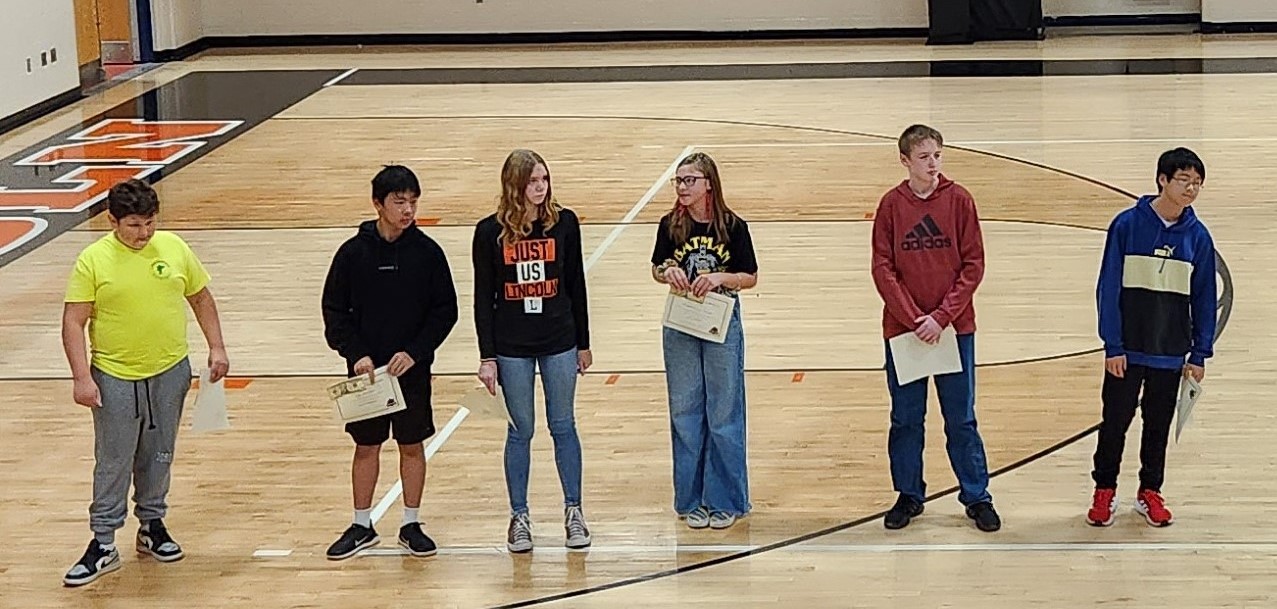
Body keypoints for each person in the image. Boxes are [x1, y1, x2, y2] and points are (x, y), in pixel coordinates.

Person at [61, 179, 230, 586]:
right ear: (112, 221)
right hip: (115, 377)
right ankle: (103, 542)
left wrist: (217, 347)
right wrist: (82, 377)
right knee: (114, 459)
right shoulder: (93, 260)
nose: (145, 233)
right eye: (135, 225)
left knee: (159, 453)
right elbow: (73, 321)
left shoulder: (174, 247)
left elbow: (201, 298)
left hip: (170, 372)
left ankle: (152, 526)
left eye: (150, 222)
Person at [321, 165, 459, 560]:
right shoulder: (352, 254)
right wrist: (356, 354)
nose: (408, 210)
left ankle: (411, 523)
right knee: (366, 445)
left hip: (411, 372)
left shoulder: (428, 253)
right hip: (366, 375)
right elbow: (334, 311)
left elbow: (444, 311)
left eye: (413, 202)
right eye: (400, 202)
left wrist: (415, 352)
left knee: (411, 444)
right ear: (377, 204)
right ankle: (361, 524)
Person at [870, 124, 1001, 533]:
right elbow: (882, 268)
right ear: (905, 160)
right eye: (924, 157)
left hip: (953, 330)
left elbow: (973, 265)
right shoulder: (891, 206)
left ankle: (977, 496)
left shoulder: (960, 200)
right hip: (905, 331)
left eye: (937, 155)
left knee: (961, 418)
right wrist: (914, 319)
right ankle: (909, 494)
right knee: (906, 418)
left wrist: (941, 317)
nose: (933, 164)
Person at [1088, 147, 1216, 528]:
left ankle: (1150, 491)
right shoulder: (1127, 225)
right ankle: (1104, 490)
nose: (1191, 189)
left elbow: (1204, 298)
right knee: (1114, 422)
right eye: (1184, 180)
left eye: (1197, 183)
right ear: (1162, 180)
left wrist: (1199, 353)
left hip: (1170, 353)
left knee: (1157, 426)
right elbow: (1108, 288)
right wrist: (1113, 344)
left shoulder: (1199, 238)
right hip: (1127, 351)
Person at [472, 149, 592, 553]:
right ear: (514, 185)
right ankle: (519, 516)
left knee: (563, 425)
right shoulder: (489, 232)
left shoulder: (565, 223)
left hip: (559, 340)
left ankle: (574, 511)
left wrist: (584, 343)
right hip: (512, 346)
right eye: (532, 181)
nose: (540, 187)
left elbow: (576, 284)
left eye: (544, 179)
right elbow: (483, 298)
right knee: (520, 430)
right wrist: (487, 356)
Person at [650, 151, 758, 530]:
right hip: (681, 321)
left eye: (689, 180)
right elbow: (657, 266)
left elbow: (750, 276)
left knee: (724, 410)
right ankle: (690, 499)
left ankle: (725, 498)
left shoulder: (733, 226)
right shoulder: (670, 225)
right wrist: (668, 272)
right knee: (684, 409)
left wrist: (719, 278)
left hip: (720, 321)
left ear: (708, 184)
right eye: (679, 181)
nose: (682, 187)